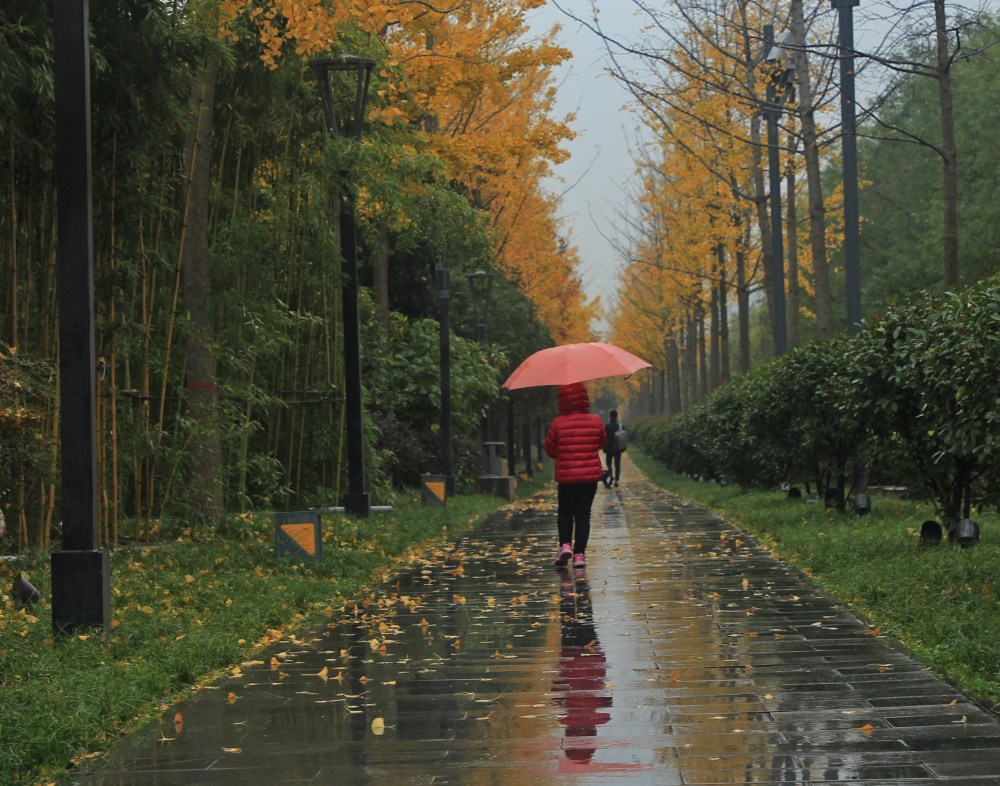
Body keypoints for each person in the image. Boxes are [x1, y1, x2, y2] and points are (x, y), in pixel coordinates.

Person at [544, 382, 607, 568]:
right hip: (589, 478)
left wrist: (561, 454)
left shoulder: (557, 423)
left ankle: (565, 545)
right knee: (583, 514)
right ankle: (580, 555)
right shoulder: (595, 420)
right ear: (585, 399)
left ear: (561, 401)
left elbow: (549, 449)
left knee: (565, 512)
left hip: (566, 477)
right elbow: (602, 442)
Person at [604, 409, 624, 487]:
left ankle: (611, 474)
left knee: (608, 463)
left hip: (608, 448)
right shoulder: (621, 426)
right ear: (617, 416)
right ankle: (617, 479)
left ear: (609, 416)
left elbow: (604, 437)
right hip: (618, 448)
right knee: (617, 464)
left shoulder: (606, 426)